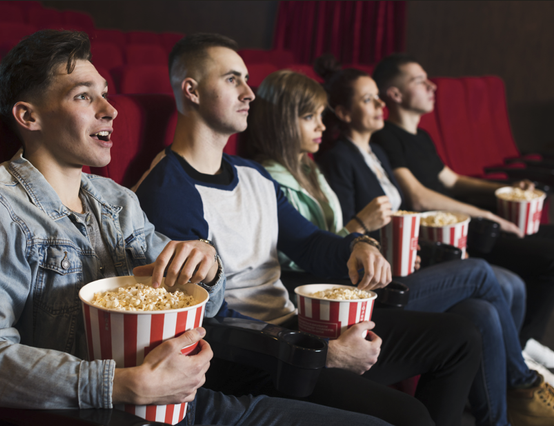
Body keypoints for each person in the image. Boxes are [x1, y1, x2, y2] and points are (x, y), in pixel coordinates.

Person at [0, 30, 392, 426]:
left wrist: (207, 266)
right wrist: (122, 384)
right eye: (83, 96)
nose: (110, 110)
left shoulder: (116, 199)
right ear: (28, 116)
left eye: (106, 92)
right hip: (98, 413)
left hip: (179, 399)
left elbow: (199, 302)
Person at [136, 32, 483, 426]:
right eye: (233, 79)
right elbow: (202, 322)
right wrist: (323, 352)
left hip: (296, 326)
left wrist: (358, 245)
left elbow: (309, 241)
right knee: (409, 416)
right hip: (254, 357)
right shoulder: (167, 191)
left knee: (460, 336)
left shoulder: (253, 174)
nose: (250, 92)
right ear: (192, 90)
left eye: (247, 79)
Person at [250, 63, 552, 426]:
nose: (321, 125)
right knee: (481, 273)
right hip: (339, 297)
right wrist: (362, 229)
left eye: (320, 115)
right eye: (310, 117)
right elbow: (303, 252)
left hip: (367, 278)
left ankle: (503, 417)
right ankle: (523, 382)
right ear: (282, 122)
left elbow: (335, 236)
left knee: (480, 313)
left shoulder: (310, 167)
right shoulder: (269, 179)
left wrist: (372, 241)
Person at [370, 53, 554, 362]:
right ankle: (523, 348)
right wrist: (487, 214)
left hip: (466, 221)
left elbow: (453, 180)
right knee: (548, 257)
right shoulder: (386, 137)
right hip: (446, 236)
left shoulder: (422, 136)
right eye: (419, 81)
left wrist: (505, 189)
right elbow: (418, 197)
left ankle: (526, 346)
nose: (432, 86)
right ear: (395, 94)